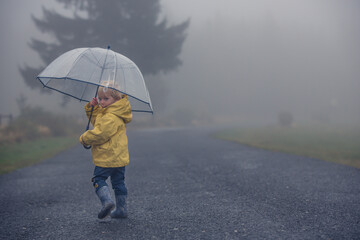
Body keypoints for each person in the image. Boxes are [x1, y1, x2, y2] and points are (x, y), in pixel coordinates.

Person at [80, 82, 132, 219]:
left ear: (116, 99)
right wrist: (92, 108)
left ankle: (107, 201)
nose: (102, 102)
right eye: (100, 98)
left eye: (106, 99)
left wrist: (85, 138)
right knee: (119, 182)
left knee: (98, 179)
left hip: (107, 156)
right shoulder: (113, 112)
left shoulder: (110, 116)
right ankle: (121, 209)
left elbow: (101, 133)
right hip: (119, 157)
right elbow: (98, 121)